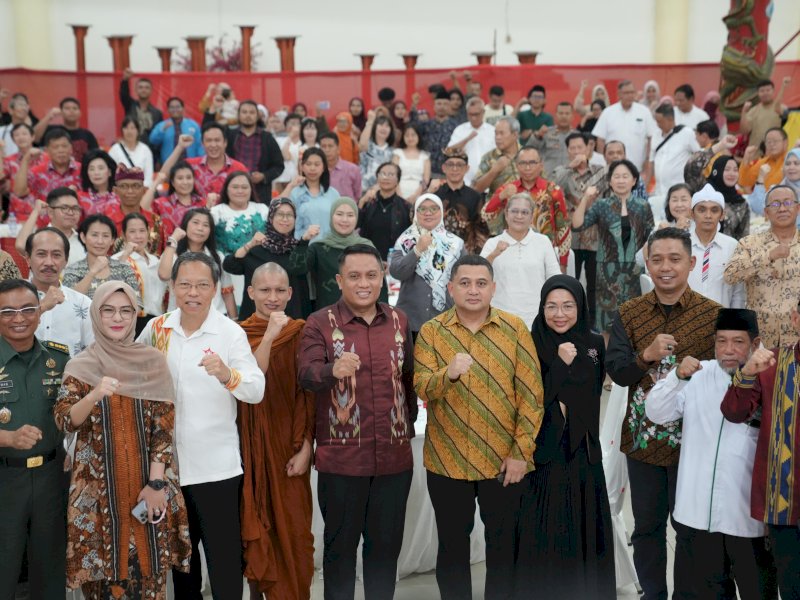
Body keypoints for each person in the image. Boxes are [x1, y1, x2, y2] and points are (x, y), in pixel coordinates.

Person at [413, 254, 543, 600]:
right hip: (447, 461)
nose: (473, 290)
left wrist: (520, 453)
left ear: (493, 288)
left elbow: (532, 397)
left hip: (503, 463)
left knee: (503, 549)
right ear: (451, 287)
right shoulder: (431, 332)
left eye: (481, 283)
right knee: (452, 549)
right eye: (465, 283)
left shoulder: (515, 329)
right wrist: (448, 373)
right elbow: (421, 386)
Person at [138, 252, 265, 600]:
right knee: (184, 567)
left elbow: (256, 389)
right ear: (172, 286)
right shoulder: (157, 327)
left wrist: (227, 374)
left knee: (224, 563)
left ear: (214, 289)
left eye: (202, 285)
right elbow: (133, 376)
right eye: (185, 284)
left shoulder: (229, 332)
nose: (192, 292)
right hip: (168, 471)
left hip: (216, 470)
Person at [54, 280, 191, 598]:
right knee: (102, 583)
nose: (117, 318)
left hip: (146, 490)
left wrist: (157, 485)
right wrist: (94, 395)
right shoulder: (81, 365)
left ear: (135, 316)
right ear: (95, 315)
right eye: (109, 310)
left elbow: (164, 425)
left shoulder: (152, 362)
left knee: (148, 577)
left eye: (126, 311)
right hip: (96, 497)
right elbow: (65, 420)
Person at [606, 227, 721, 600]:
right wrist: (647, 356)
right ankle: (652, 594)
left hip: (694, 442)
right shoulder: (630, 312)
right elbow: (619, 372)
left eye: (674, 259)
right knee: (647, 527)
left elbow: (725, 377)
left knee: (689, 528)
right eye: (657, 259)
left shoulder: (713, 315)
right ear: (647, 264)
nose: (665, 267)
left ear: (690, 263)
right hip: (643, 441)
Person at [298, 244, 416, 600]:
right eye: (354, 276)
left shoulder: (399, 320)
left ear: (382, 277)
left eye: (371, 275)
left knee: (384, 553)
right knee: (340, 553)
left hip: (394, 462)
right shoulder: (319, 323)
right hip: (342, 463)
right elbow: (305, 375)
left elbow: (408, 379)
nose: (363, 283)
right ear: (339, 280)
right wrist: (333, 369)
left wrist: (406, 429)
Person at [646, 308, 778, 600]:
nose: (728, 350)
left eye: (738, 342)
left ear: (755, 344)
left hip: (747, 519)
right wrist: (677, 378)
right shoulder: (699, 374)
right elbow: (655, 412)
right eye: (721, 341)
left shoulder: (769, 378)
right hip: (697, 516)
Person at [518, 274, 615, 598]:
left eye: (568, 306)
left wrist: (562, 398)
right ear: (542, 307)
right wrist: (559, 366)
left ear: (580, 306)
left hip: (585, 450)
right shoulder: (532, 342)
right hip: (545, 452)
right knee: (549, 528)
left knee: (587, 528)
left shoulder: (594, 343)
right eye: (552, 306)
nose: (559, 313)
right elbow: (532, 399)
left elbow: (594, 390)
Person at [238, 263, 315, 599]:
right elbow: (249, 382)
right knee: (255, 529)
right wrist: (269, 333)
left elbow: (309, 395)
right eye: (265, 290)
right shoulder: (236, 335)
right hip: (248, 450)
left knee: (296, 534)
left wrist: (306, 446)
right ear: (250, 292)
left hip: (289, 447)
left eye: (279, 290)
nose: (272, 297)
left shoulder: (302, 332)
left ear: (290, 293)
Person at [721, 302, 800, 599]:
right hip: (785, 504)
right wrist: (748, 372)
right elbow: (733, 412)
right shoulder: (772, 364)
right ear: (795, 319)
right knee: (791, 586)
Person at [0, 279, 71, 599]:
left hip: (51, 478)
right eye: (8, 311)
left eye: (28, 309)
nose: (19, 318)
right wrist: (8, 438)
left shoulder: (58, 360)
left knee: (50, 567)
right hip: (5, 478)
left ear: (39, 313)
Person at [572, 159, 654, 335]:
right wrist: (586, 197)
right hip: (606, 273)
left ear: (634, 180)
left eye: (625, 176)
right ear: (610, 181)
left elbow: (651, 239)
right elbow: (577, 225)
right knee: (607, 324)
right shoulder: (602, 205)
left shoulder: (643, 206)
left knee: (635, 322)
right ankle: (607, 361)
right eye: (616, 176)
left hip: (635, 270)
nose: (621, 180)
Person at [724, 184, 800, 349]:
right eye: (775, 204)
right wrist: (768, 256)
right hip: (760, 340)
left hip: (796, 338)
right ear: (766, 213)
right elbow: (730, 275)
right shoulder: (750, 243)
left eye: (788, 203)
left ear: (798, 208)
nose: (782, 209)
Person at [223, 198, 317, 321]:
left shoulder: (300, 250)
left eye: (289, 215)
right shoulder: (257, 249)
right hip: (256, 323)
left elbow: (299, 269)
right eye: (280, 214)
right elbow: (230, 265)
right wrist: (250, 245)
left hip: (291, 323)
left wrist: (303, 242)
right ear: (271, 218)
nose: (285, 219)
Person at [480, 193, 561, 328]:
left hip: (536, 319)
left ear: (531, 217)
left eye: (524, 212)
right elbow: (478, 275)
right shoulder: (493, 243)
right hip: (499, 318)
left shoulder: (543, 242)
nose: (519, 216)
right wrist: (494, 254)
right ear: (506, 214)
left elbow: (555, 278)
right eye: (514, 211)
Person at [391, 194, 465, 337]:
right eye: (422, 209)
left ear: (441, 212)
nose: (428, 213)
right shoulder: (405, 240)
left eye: (433, 208)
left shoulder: (455, 244)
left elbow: (464, 279)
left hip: (445, 320)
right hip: (411, 321)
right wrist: (417, 250)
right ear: (415, 213)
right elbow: (397, 272)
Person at [483, 146, 571, 266]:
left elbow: (563, 228)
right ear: (517, 166)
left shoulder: (553, 190)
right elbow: (486, 215)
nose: (528, 167)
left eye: (532, 163)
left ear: (541, 165)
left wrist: (563, 263)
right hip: (511, 251)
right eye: (523, 163)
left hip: (544, 253)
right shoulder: (508, 189)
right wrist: (501, 196)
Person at [553, 132, 607, 327]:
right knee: (571, 282)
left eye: (580, 147)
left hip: (595, 236)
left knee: (593, 286)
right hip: (570, 237)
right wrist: (569, 167)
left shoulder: (601, 171)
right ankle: (570, 322)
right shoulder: (563, 171)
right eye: (572, 148)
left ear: (588, 148)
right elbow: (552, 188)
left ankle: (591, 326)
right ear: (567, 151)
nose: (576, 152)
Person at [27, 227, 93, 356]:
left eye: (56, 255)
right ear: (28, 259)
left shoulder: (83, 304)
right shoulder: (9, 299)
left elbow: (92, 352)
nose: (49, 262)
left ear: (66, 261)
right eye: (41, 254)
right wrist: (43, 306)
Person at [159, 208, 237, 317]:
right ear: (185, 225)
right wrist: (173, 239)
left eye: (205, 225)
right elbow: (163, 275)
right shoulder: (172, 253)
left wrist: (235, 321)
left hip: (215, 318)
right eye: (195, 223)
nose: (200, 228)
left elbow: (227, 292)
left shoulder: (218, 257)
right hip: (180, 318)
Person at [308, 197, 376, 309]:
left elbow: (378, 285)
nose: (344, 220)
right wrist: (303, 242)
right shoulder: (317, 248)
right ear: (331, 216)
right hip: (327, 316)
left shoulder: (367, 248)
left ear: (356, 218)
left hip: (361, 314)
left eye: (350, 215)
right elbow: (298, 271)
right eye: (339, 214)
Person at [686, 184, 745, 308]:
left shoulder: (732, 246)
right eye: (702, 210)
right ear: (692, 214)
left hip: (722, 321)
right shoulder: (681, 244)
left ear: (722, 215)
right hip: (686, 321)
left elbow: (738, 292)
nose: (708, 215)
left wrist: (733, 322)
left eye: (714, 210)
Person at [62, 214, 140, 301]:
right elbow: (68, 302)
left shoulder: (124, 268)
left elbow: (137, 304)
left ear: (112, 240)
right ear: (83, 237)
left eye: (105, 236)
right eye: (94, 235)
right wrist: (92, 272)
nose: (100, 241)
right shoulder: (73, 270)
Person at [112, 213, 166, 336]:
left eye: (142, 231)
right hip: (131, 321)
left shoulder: (156, 261)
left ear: (148, 232)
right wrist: (125, 254)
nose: (138, 236)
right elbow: (112, 282)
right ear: (124, 235)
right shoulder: (117, 259)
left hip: (157, 320)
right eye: (132, 231)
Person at [592, 79, 658, 177]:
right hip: (613, 171)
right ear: (619, 94)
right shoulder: (608, 112)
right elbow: (600, 140)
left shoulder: (644, 112)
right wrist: (603, 162)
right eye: (626, 93)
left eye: (632, 92)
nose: (630, 95)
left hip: (637, 169)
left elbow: (651, 137)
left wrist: (647, 160)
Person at [427, 152, 487, 253]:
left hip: (465, 252)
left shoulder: (475, 196)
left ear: (467, 168)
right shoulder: (434, 194)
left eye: (459, 165)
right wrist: (428, 193)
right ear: (443, 168)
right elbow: (416, 218)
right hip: (435, 250)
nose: (455, 169)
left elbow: (481, 230)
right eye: (450, 164)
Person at [225, 100, 284, 203]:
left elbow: (279, 166)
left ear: (258, 116)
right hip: (233, 191)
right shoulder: (230, 136)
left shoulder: (267, 138)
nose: (248, 115)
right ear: (238, 115)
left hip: (259, 193)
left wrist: (263, 176)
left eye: (252, 112)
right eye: (244, 112)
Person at [143, 152, 208, 237]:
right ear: (173, 182)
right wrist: (156, 182)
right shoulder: (161, 204)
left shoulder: (203, 203)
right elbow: (143, 208)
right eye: (180, 178)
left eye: (188, 178)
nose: (185, 182)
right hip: (169, 249)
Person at [15, 187, 86, 265]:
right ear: (50, 212)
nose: (71, 213)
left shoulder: (84, 240)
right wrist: (36, 211)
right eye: (64, 208)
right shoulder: (40, 237)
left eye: (75, 208)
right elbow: (21, 245)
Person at [283, 147, 340, 241]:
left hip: (328, 246)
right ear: (302, 167)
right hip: (302, 247)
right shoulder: (294, 193)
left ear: (323, 167)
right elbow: (278, 210)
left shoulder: (333, 194)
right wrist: (290, 186)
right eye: (308, 164)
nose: (312, 168)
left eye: (317, 164)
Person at [357, 162, 411, 260]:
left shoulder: (405, 207)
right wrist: (361, 203)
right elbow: (356, 224)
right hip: (366, 256)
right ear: (377, 178)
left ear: (398, 180)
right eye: (382, 174)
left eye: (391, 174)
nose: (386, 177)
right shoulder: (367, 202)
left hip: (394, 260)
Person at [209, 171, 269, 258]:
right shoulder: (216, 212)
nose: (240, 191)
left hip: (258, 264)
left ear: (251, 190)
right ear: (226, 189)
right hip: (225, 266)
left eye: (244, 187)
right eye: (235, 187)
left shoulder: (262, 209)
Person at [14, 127, 81, 201]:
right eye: (55, 147)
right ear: (47, 151)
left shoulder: (82, 169)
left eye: (64, 146)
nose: (61, 150)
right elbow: (19, 192)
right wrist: (25, 160)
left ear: (71, 148)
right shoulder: (37, 172)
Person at [184, 122, 248, 198]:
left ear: (225, 143)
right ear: (202, 143)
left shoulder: (239, 168)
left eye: (217, 140)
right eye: (209, 140)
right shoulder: (191, 165)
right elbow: (166, 175)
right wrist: (179, 147)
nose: (213, 145)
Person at [650, 103, 700, 197]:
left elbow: (700, 154)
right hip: (659, 191)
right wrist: (646, 183)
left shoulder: (687, 133)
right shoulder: (655, 135)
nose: (658, 125)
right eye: (656, 121)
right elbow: (651, 161)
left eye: (660, 121)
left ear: (670, 119)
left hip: (679, 191)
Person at [2, 123, 46, 224]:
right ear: (13, 140)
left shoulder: (46, 158)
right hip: (17, 214)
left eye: (24, 134)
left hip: (43, 212)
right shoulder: (9, 160)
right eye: (16, 135)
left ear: (32, 136)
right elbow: (1, 179)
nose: (20, 137)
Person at [445, 97, 495, 185]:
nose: (473, 118)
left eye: (476, 114)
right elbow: (448, 151)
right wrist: (467, 139)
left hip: (489, 181)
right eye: (470, 114)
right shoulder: (460, 130)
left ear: (483, 112)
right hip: (465, 181)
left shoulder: (492, 130)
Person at [35, 97, 98, 163]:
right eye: (67, 108)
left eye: (75, 108)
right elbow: (35, 138)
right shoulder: (52, 130)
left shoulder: (87, 134)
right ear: (61, 112)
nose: (71, 111)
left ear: (80, 113)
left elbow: (95, 157)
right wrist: (49, 116)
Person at [411, 90, 459, 177]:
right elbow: (412, 128)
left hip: (448, 172)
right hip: (427, 172)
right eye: (439, 104)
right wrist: (414, 106)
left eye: (445, 104)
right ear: (434, 106)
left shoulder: (456, 127)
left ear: (449, 107)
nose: (442, 107)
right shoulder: (426, 124)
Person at [471, 116, 521, 196]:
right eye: (496, 133)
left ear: (515, 135)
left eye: (501, 133)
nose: (497, 137)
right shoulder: (489, 157)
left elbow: (543, 183)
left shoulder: (528, 155)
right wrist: (494, 170)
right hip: (497, 206)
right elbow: (475, 189)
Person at [683, 121, 737, 193]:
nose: (695, 138)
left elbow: (693, 169)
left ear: (704, 136)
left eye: (696, 134)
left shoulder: (707, 155)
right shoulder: (726, 151)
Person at [749, 148, 800, 224]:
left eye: (796, 163)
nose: (791, 167)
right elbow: (759, 208)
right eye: (788, 163)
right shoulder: (776, 191)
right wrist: (760, 179)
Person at [525, 101, 576, 177]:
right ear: (555, 116)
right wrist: (538, 136)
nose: (564, 116)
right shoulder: (545, 133)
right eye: (561, 113)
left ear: (572, 116)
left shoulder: (577, 136)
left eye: (567, 113)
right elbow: (527, 151)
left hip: (570, 179)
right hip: (549, 179)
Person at [148, 97, 204, 166]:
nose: (175, 110)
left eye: (178, 107)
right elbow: (152, 140)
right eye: (172, 107)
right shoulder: (162, 125)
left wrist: (201, 162)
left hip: (191, 165)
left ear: (183, 109)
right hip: (169, 166)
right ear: (168, 110)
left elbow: (200, 145)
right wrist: (163, 129)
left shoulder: (193, 125)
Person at [739, 77, 790, 149]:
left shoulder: (781, 108)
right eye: (762, 91)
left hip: (776, 152)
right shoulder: (753, 111)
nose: (765, 93)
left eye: (768, 90)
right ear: (758, 93)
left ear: (773, 91)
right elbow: (744, 131)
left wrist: (783, 86)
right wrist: (744, 112)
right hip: (755, 154)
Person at [707, 155, 748, 240]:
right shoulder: (705, 196)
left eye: (735, 170)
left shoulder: (741, 203)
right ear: (717, 171)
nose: (732, 173)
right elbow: (691, 169)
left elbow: (744, 238)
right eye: (727, 169)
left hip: (730, 250)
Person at [119, 68, 163, 145]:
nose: (143, 90)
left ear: (151, 91)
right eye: (141, 87)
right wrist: (125, 80)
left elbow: (159, 134)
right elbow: (124, 94)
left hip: (149, 150)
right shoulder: (130, 105)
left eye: (147, 88)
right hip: (131, 146)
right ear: (136, 90)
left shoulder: (157, 113)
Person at [108, 117, 155, 187]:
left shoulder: (145, 150)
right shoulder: (115, 149)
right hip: (121, 191)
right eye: (126, 128)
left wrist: (139, 189)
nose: (129, 131)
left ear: (138, 131)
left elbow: (149, 177)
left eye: (132, 128)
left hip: (141, 190)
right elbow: (110, 175)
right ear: (122, 130)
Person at [392, 123, 430, 203]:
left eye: (413, 135)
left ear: (418, 136)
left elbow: (426, 180)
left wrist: (415, 195)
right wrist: (399, 195)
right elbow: (393, 175)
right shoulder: (397, 153)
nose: (410, 138)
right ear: (403, 137)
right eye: (407, 135)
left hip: (419, 192)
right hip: (399, 190)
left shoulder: (425, 156)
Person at [358, 112, 395, 190]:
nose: (383, 128)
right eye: (381, 125)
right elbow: (362, 145)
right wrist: (370, 121)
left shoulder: (392, 152)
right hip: (363, 189)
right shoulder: (368, 145)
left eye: (387, 126)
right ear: (374, 127)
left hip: (383, 191)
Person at [320, 132, 361, 201]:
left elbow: (357, 195)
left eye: (330, 146)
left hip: (347, 209)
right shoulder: (317, 170)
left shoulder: (353, 169)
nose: (327, 150)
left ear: (338, 149)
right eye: (323, 146)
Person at [80, 148, 119, 215]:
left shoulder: (120, 195)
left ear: (109, 172)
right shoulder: (80, 198)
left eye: (101, 168)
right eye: (92, 169)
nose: (96, 173)